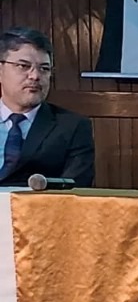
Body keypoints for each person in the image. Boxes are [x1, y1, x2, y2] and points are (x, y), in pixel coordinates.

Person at [0, 27, 94, 187]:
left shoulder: (72, 127)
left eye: (44, 69)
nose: (35, 76)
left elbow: (76, 188)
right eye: (23, 66)